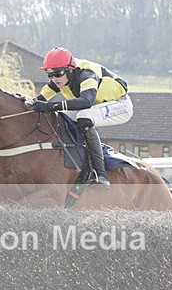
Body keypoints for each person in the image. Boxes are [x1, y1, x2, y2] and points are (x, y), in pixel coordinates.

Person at [31, 47, 132, 189]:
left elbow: (86, 102)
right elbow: (38, 101)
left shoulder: (86, 74)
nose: (55, 78)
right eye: (50, 74)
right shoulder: (61, 76)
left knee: (84, 118)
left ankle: (101, 174)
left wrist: (50, 106)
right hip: (94, 105)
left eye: (58, 74)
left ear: (70, 69)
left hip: (120, 105)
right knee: (59, 117)